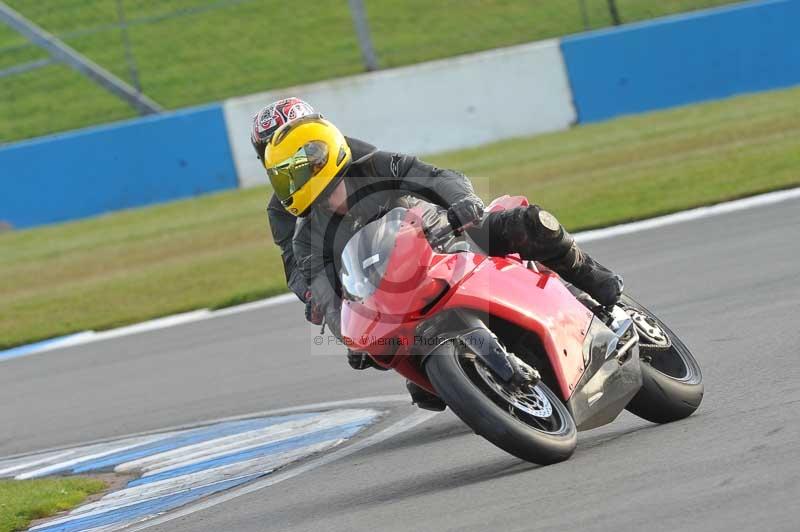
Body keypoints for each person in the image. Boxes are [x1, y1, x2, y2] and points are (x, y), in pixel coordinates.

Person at [261, 113, 624, 409]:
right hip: (390, 290)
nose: (294, 181)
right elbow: (320, 288)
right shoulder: (304, 236)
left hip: (448, 238)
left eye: (300, 169)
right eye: (284, 176)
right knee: (424, 391)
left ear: (322, 154)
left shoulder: (375, 165)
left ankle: (589, 276)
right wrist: (347, 333)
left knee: (529, 225)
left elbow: (437, 177)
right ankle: (466, 373)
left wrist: (462, 200)